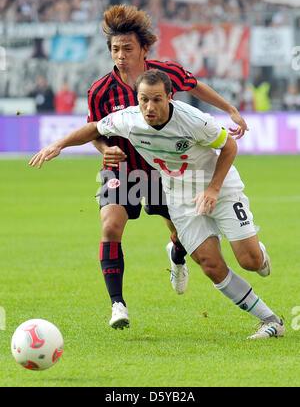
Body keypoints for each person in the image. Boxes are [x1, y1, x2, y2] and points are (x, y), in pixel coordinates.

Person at [29, 69, 284, 339]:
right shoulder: (129, 119)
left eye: (157, 100)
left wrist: (213, 189)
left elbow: (229, 145)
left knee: (250, 261)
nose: (149, 107)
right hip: (179, 196)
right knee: (210, 264)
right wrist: (58, 145)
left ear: (170, 98)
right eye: (143, 100)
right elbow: (95, 127)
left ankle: (257, 252)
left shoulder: (193, 120)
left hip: (219, 188)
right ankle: (270, 320)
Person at [85, 4, 249, 330]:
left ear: (144, 48)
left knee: (179, 233)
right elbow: (94, 130)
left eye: (127, 48)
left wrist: (229, 108)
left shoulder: (163, 73)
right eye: (115, 49)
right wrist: (106, 150)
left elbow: (195, 85)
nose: (120, 55)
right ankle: (117, 305)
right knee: (110, 227)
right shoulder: (100, 90)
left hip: (165, 169)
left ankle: (176, 254)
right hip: (125, 171)